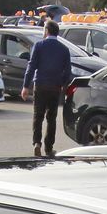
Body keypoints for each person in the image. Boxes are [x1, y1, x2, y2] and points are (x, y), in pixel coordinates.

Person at [22, 20, 72, 157]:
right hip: (55, 87)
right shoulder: (64, 49)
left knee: (38, 116)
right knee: (51, 118)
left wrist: (26, 86)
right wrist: (62, 84)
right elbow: (68, 72)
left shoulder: (39, 46)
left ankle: (37, 143)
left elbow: (31, 66)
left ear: (46, 31)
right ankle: (49, 148)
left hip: (40, 85)